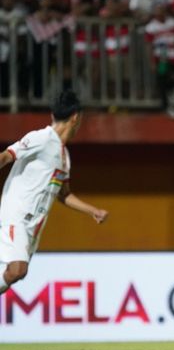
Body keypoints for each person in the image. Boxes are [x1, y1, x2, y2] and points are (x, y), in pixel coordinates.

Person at [0, 90, 109, 296]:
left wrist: (92, 210)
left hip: (34, 226)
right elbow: (6, 156)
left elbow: (63, 194)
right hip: (17, 216)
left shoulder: (64, 156)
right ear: (76, 117)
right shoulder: (41, 138)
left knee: (13, 273)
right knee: (17, 269)